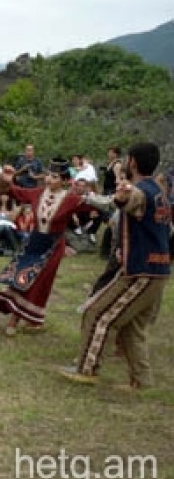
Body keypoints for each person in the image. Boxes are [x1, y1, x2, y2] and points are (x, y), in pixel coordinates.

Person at [60, 142, 170, 390]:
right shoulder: (159, 191)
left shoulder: (140, 191)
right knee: (132, 327)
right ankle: (142, 381)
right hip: (158, 271)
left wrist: (122, 197)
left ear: (131, 162)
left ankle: (87, 369)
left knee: (98, 314)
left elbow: (128, 200)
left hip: (141, 271)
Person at [0, 158, 94, 335]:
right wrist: (6, 179)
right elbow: (14, 192)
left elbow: (95, 205)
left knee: (41, 283)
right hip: (34, 242)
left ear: (64, 180)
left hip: (53, 246)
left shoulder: (71, 199)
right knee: (22, 277)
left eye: (54, 177)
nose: (49, 179)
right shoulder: (37, 193)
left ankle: (29, 319)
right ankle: (16, 317)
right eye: (48, 175)